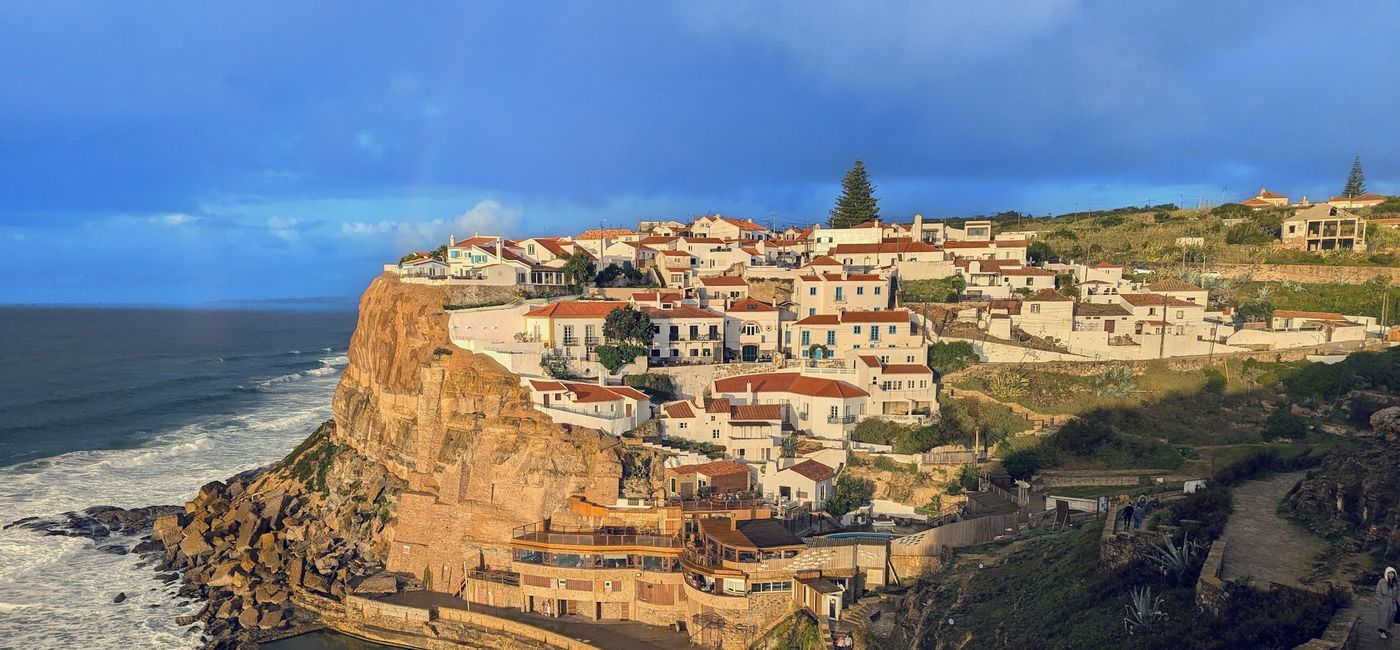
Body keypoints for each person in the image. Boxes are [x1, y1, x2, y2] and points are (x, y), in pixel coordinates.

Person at [1379, 566, 1399, 640]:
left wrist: (1395, 601)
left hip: (1392, 602)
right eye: (1389, 573)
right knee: (1383, 618)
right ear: (1386, 574)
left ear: (1394, 574)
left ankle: (1386, 629)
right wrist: (1381, 601)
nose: (1390, 575)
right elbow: (1378, 592)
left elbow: (1397, 593)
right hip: (1384, 602)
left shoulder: (1396, 583)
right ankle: (1382, 632)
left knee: (1390, 617)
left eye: (1392, 573)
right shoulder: (1382, 582)